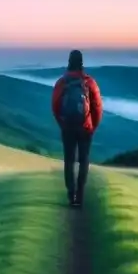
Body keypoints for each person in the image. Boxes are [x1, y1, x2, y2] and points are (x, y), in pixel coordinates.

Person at [51, 49, 103, 207]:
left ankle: (70, 194)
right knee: (84, 160)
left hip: (67, 127)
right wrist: (93, 126)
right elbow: (98, 108)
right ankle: (80, 195)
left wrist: (62, 123)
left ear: (69, 62)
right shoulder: (89, 82)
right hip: (85, 128)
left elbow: (55, 106)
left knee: (69, 160)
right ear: (81, 63)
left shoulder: (62, 82)